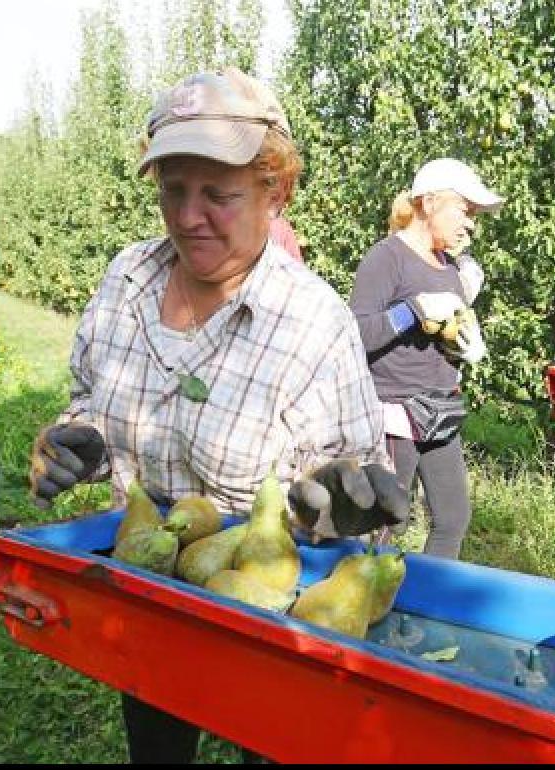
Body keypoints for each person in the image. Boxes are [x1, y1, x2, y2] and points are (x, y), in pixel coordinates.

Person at [26, 67, 410, 764]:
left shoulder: (310, 321)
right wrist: (75, 441)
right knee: (157, 741)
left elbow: (350, 473)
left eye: (218, 194)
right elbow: (92, 400)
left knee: (270, 742)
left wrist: (346, 502)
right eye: (173, 190)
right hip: (148, 595)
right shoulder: (127, 281)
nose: (188, 216)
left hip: (264, 622)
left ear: (276, 191)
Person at [348, 157, 502, 560]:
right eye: (465, 212)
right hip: (396, 413)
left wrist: (463, 345)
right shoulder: (387, 258)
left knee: (453, 519)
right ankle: (364, 605)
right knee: (385, 523)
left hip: (440, 408)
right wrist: (411, 310)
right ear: (430, 202)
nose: (470, 225)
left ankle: (428, 603)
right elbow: (354, 335)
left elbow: (443, 330)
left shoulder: (449, 266)